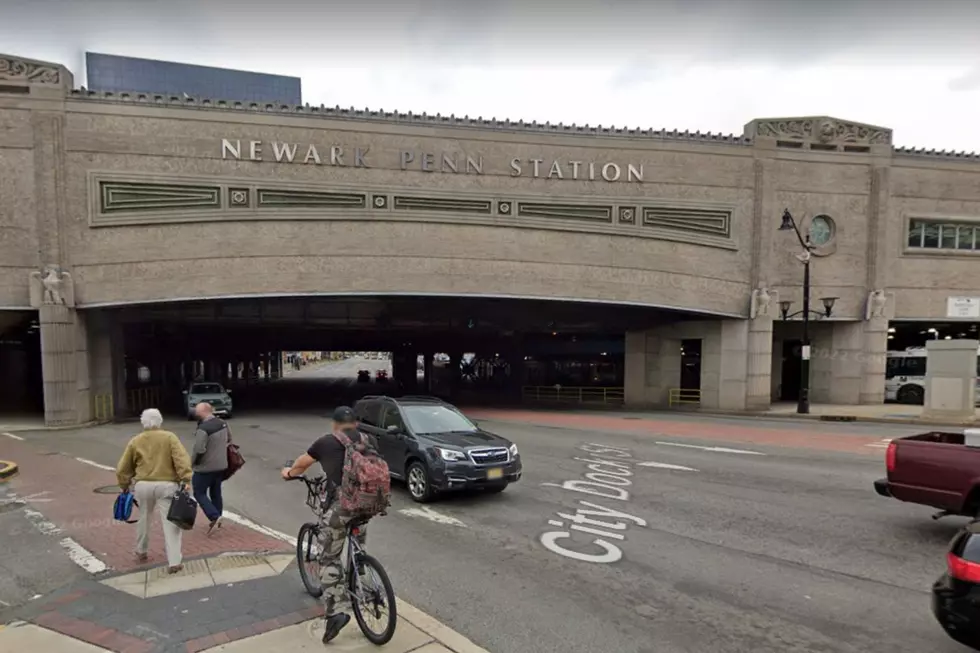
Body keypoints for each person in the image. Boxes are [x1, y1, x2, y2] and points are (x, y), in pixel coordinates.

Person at [281, 406, 375, 644]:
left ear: (335, 424)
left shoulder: (326, 442)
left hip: (341, 508)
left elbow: (302, 464)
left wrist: (288, 473)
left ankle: (336, 612)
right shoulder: (368, 439)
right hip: (367, 505)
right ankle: (359, 570)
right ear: (354, 423)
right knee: (356, 539)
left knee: (328, 559)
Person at [116, 408, 193, 574]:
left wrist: (124, 484)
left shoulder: (135, 441)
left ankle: (141, 550)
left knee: (144, 517)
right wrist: (186, 479)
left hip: (143, 485)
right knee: (171, 523)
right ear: (160, 421)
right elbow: (181, 460)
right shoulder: (169, 437)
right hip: (166, 485)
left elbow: (123, 467)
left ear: (143, 422)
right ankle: (174, 561)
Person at [190, 402, 230, 536]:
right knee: (215, 492)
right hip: (221, 465)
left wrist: (192, 463)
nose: (195, 413)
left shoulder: (204, 428)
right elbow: (229, 439)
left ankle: (214, 516)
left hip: (205, 467)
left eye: (197, 411)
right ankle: (218, 516)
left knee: (199, 492)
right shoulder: (223, 423)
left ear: (203, 412)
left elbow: (199, 449)